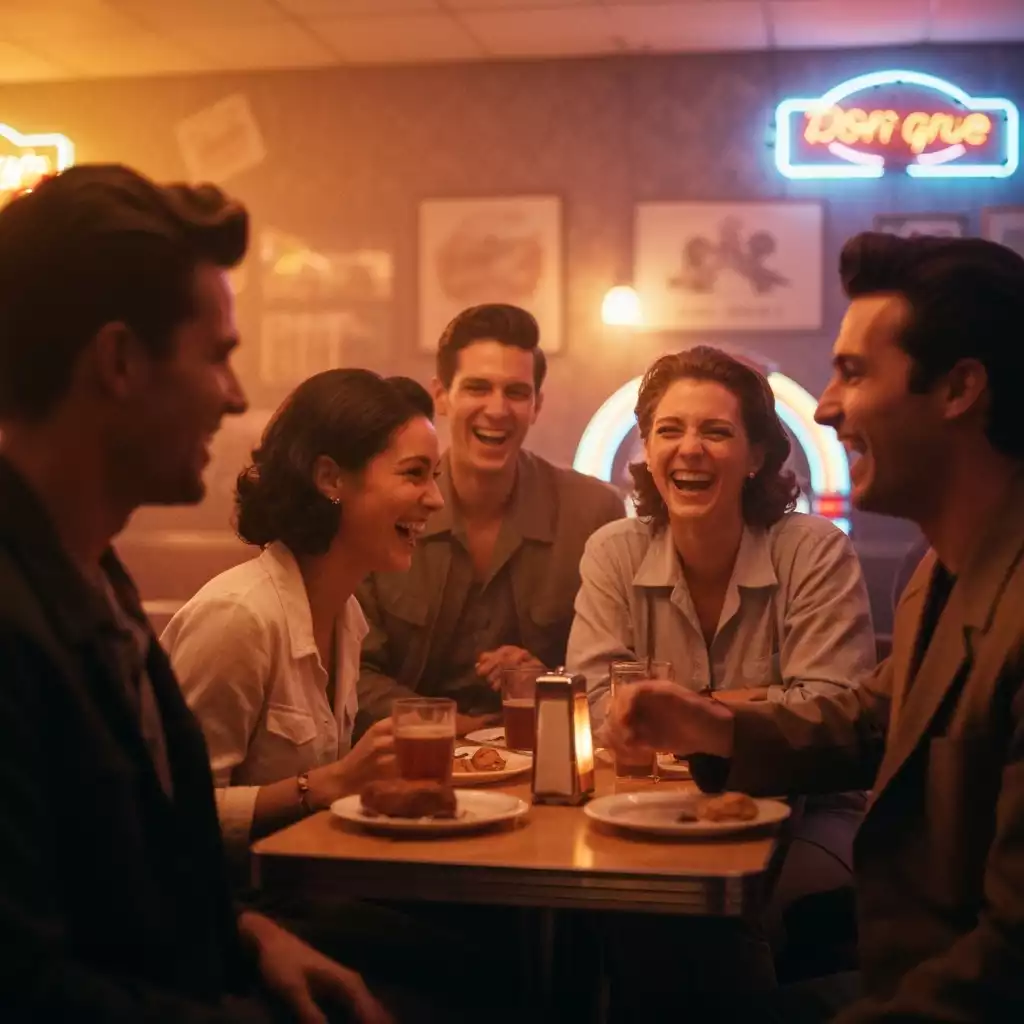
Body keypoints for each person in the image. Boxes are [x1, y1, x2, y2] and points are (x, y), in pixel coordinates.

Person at [0, 165, 388, 1023]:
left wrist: (248, 937)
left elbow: (122, 886)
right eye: (217, 356)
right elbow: (23, 985)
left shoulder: (90, 576)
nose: (237, 395)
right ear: (120, 361)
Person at [609, 232, 1024, 1022]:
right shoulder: (942, 570)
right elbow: (871, 719)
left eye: (854, 373)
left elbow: (1011, 962)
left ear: (960, 388)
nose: (826, 407)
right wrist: (714, 724)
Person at [567, 346, 875, 1008]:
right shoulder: (613, 552)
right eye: (669, 431)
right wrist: (758, 702)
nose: (690, 449)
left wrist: (681, 713)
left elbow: (831, 711)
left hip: (810, 812)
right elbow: (595, 710)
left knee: (725, 910)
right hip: (650, 808)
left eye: (716, 431)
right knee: (610, 910)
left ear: (757, 455)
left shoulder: (813, 550)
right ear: (647, 449)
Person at [163, 369, 443, 853]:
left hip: (310, 886)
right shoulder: (238, 618)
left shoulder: (346, 615)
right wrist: (323, 785)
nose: (436, 499)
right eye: (414, 473)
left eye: (435, 478)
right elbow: (167, 813)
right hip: (232, 912)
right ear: (330, 478)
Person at [356, 303, 624, 736]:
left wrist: (549, 676)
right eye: (478, 388)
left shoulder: (593, 512)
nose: (497, 409)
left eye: (516, 392)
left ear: (537, 405)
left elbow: (620, 670)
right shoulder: (386, 509)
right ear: (441, 396)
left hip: (551, 753)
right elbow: (353, 670)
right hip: (414, 754)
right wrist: (445, 725)